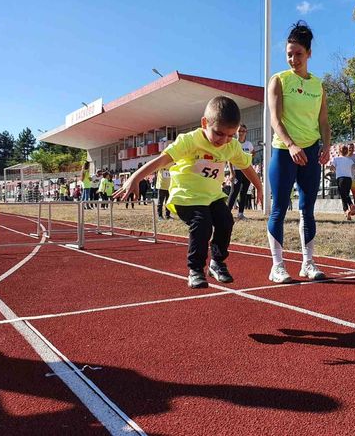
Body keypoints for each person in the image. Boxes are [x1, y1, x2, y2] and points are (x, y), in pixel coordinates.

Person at [113, 96, 263, 289]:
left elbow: (247, 166)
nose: (224, 141)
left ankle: (217, 262)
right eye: (218, 133)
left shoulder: (231, 146)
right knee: (203, 224)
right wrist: (135, 177)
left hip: (212, 196)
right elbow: (162, 160)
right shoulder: (189, 141)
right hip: (187, 197)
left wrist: (258, 187)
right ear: (204, 123)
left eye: (230, 135)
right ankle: (195, 270)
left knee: (226, 220)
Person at [266, 20, 332, 283]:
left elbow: (324, 122)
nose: (293, 59)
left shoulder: (318, 85)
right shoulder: (279, 81)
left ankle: (308, 263)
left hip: (311, 151)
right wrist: (291, 145)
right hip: (284, 151)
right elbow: (275, 119)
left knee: (307, 209)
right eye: (289, 54)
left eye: (298, 54)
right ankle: (278, 266)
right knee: (279, 209)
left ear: (309, 54)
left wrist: (326, 146)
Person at [227, 123, 255, 220]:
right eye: (239, 131)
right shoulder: (233, 143)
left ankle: (240, 213)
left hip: (246, 171)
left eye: (243, 131)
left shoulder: (249, 144)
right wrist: (231, 172)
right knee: (234, 191)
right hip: (237, 171)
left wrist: (249, 162)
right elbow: (229, 159)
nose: (241, 133)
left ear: (246, 132)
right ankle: (227, 213)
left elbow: (253, 153)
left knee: (244, 192)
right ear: (236, 132)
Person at [329, 144, 355, 220]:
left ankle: (347, 210)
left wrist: (334, 169)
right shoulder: (350, 160)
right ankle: (350, 207)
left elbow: (331, 168)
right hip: (349, 179)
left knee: (343, 196)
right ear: (347, 151)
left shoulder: (336, 159)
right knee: (346, 194)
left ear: (339, 151)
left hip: (340, 179)